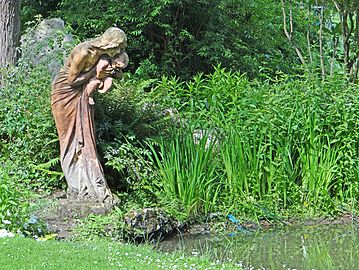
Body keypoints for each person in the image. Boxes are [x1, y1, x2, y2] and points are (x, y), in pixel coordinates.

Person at [51, 27, 127, 203]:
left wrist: (113, 73)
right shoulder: (84, 51)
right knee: (68, 139)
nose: (119, 51)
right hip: (64, 94)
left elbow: (117, 73)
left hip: (83, 95)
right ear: (111, 43)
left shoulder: (105, 56)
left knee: (86, 138)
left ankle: (91, 184)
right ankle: (76, 186)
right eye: (119, 47)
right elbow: (72, 80)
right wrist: (96, 73)